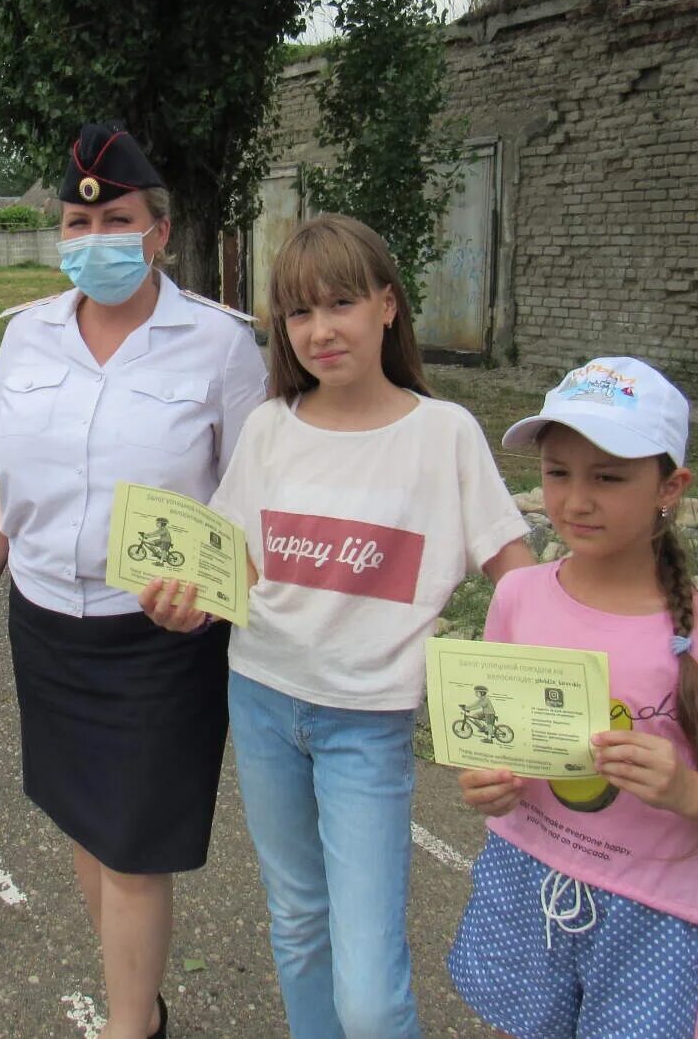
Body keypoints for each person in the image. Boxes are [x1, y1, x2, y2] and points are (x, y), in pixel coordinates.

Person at [142, 213, 533, 1038]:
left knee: (369, 987)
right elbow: (237, 570)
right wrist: (183, 605)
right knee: (295, 922)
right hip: (261, 702)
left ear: (388, 306)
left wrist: (547, 703)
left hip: (368, 726)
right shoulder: (268, 428)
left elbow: (520, 580)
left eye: (342, 304)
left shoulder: (445, 433)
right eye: (298, 313)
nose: (321, 331)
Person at [0, 122, 267, 1039]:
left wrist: (210, 594)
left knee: (133, 850)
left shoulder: (217, 347)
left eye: (116, 221)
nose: (94, 243)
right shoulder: (29, 339)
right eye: (77, 228)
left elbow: (253, 504)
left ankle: (133, 1026)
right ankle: (139, 995)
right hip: (47, 623)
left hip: (158, 638)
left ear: (159, 231)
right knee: (87, 825)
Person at [446, 357, 698, 1038]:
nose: (574, 501)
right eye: (557, 473)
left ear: (671, 485)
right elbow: (490, 743)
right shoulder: (517, 596)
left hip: (649, 912)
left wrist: (691, 793)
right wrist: (485, 783)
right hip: (522, 879)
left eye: (608, 477)